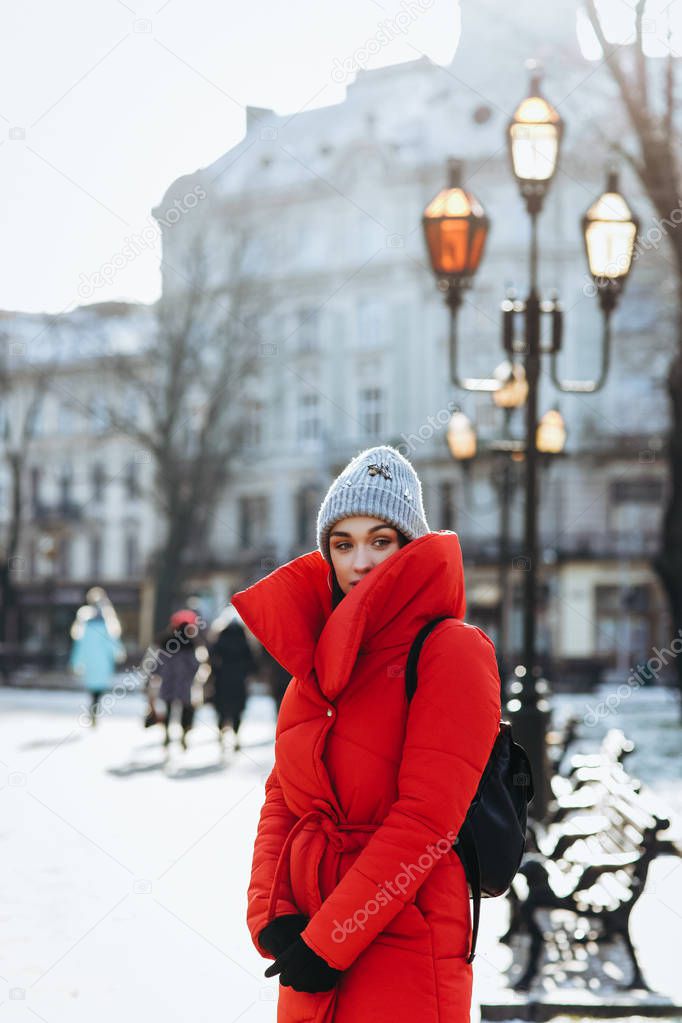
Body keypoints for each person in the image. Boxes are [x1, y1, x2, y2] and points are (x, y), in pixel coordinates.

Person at [231, 445, 502, 1023]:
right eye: (343, 543)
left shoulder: (451, 650)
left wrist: (334, 938)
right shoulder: (318, 661)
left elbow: (428, 821)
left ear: (411, 546)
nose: (360, 561)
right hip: (309, 936)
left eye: (381, 540)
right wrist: (272, 914)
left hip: (405, 937)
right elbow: (285, 794)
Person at [69, 587, 125, 725]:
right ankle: (95, 708)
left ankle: (93, 708)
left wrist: (76, 662)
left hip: (91, 660)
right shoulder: (106, 620)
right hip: (102, 661)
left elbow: (80, 645)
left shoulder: (85, 622)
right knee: (98, 688)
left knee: (93, 687)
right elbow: (112, 641)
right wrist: (118, 653)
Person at [208, 608, 257, 751]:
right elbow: (252, 663)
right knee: (237, 710)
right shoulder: (244, 639)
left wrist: (215, 673)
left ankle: (221, 732)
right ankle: (235, 735)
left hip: (222, 681)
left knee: (222, 709)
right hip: (239, 681)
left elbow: (212, 658)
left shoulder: (220, 637)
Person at [154, 609, 201, 751]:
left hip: (168, 682)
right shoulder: (192, 643)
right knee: (186, 709)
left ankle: (167, 733)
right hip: (185, 684)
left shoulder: (165, 641)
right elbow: (196, 664)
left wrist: (155, 675)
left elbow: (157, 662)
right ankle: (184, 734)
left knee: (168, 709)